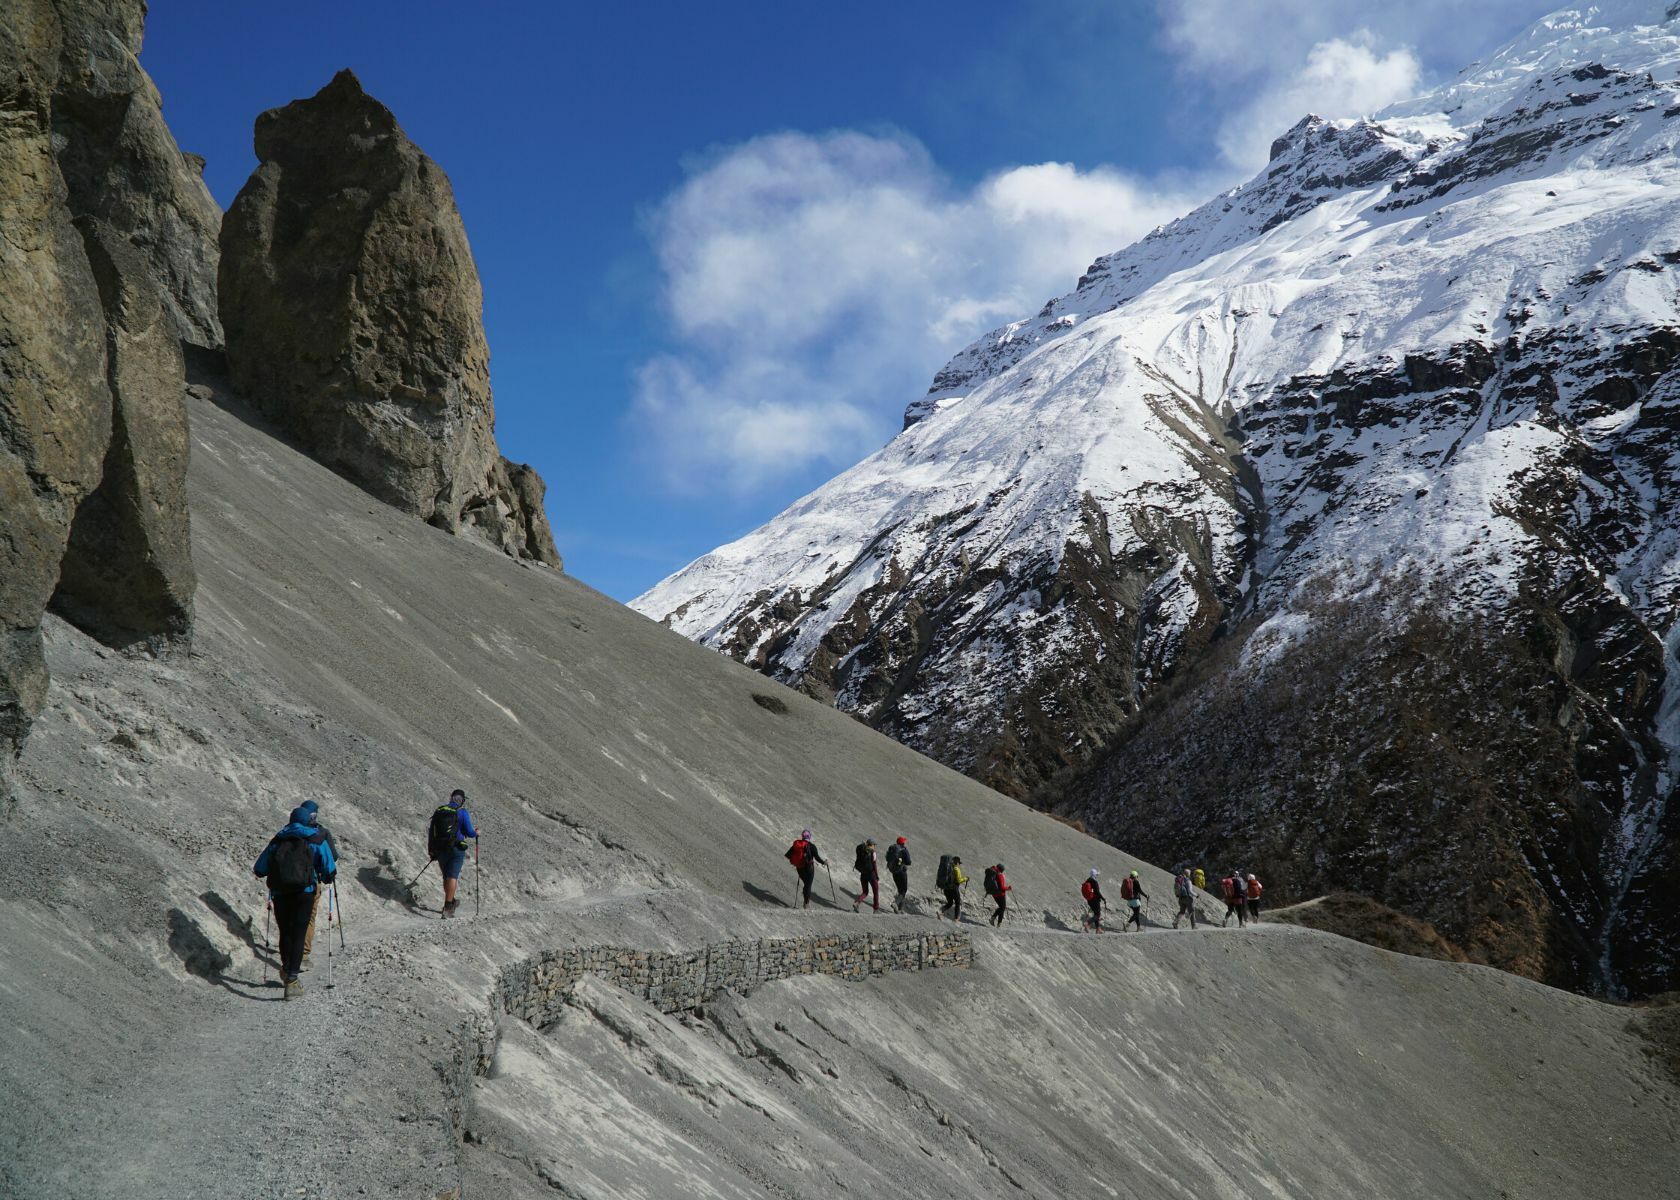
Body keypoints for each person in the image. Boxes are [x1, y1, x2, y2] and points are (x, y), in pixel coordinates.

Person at [254, 806, 338, 999]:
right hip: (304, 893)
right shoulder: (315, 838)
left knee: (286, 932)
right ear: (308, 819)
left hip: (280, 893)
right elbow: (329, 868)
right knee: (299, 933)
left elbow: (259, 868)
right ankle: (292, 980)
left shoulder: (278, 839)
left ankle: (285, 969)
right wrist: (326, 877)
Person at [297, 800, 338, 967]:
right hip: (311, 883)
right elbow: (332, 857)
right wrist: (327, 874)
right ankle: (303, 955)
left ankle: (289, 952)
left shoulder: (285, 833)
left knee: (289, 918)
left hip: (284, 885)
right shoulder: (320, 833)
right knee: (308, 918)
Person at [428, 789, 479, 918]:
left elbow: (431, 832)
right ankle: (448, 907)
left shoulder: (440, 810)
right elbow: (469, 832)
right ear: (462, 800)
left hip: (440, 849)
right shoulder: (461, 812)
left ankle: (451, 901)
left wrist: (432, 849)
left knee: (446, 876)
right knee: (452, 876)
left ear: (451, 797)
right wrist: (476, 833)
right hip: (456, 849)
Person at [785, 828, 827, 908]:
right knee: (808, 885)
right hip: (809, 868)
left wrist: (796, 860)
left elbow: (788, 855)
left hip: (799, 867)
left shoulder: (797, 844)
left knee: (806, 884)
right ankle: (806, 904)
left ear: (802, 836)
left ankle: (806, 899)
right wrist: (824, 862)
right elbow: (817, 858)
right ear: (809, 837)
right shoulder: (811, 846)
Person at [853, 837, 881, 912]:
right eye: (874, 845)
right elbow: (874, 865)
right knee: (875, 892)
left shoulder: (862, 850)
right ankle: (876, 909)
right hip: (871, 875)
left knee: (865, 891)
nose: (874, 846)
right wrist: (877, 876)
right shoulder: (872, 852)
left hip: (863, 873)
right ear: (871, 845)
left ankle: (857, 902)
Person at [885, 836, 911, 911]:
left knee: (900, 891)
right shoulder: (904, 850)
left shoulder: (892, 848)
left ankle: (899, 910)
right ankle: (895, 903)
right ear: (903, 843)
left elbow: (887, 858)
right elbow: (908, 862)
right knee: (904, 890)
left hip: (894, 872)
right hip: (902, 872)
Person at [939, 856, 967, 922]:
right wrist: (966, 878)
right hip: (954, 889)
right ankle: (956, 919)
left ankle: (940, 911)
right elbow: (959, 880)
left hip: (946, 888)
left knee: (950, 903)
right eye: (959, 863)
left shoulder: (947, 868)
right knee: (957, 903)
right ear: (957, 862)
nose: (959, 864)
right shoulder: (956, 868)